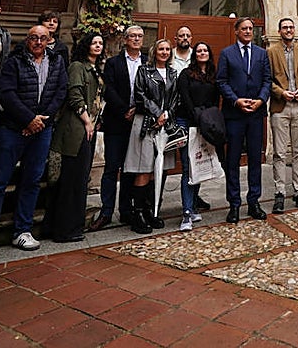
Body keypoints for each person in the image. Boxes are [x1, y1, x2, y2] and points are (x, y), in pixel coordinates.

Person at [0, 25, 67, 262]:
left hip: (42, 130)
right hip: (12, 129)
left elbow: (60, 91)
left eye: (43, 38)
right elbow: (7, 93)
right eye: (33, 38)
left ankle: (22, 230)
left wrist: (41, 121)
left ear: (49, 40)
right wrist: (28, 119)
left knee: (32, 180)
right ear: (27, 40)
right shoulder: (14, 61)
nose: (38, 42)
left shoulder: (57, 61)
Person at [48, 31, 104, 242]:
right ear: (86, 45)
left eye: (100, 43)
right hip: (75, 128)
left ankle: (74, 226)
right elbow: (75, 95)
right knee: (71, 179)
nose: (98, 46)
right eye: (94, 42)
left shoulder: (96, 69)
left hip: (89, 128)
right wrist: (87, 121)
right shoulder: (77, 67)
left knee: (80, 179)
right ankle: (64, 229)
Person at [124, 38, 181, 234]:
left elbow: (176, 98)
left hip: (166, 124)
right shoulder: (144, 71)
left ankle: (150, 210)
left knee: (159, 169)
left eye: (167, 49)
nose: (164, 52)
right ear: (154, 52)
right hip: (146, 123)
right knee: (144, 169)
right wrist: (157, 113)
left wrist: (167, 115)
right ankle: (138, 213)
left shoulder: (173, 73)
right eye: (161, 49)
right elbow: (140, 95)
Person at [90, 26, 144, 231]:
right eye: (133, 36)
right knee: (112, 168)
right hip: (117, 121)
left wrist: (137, 109)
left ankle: (126, 210)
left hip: (139, 122)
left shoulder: (147, 62)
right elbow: (108, 89)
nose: (136, 39)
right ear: (125, 39)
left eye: (140, 36)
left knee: (130, 169)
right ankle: (106, 212)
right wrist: (124, 110)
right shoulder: (113, 63)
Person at [217, 17, 270, 223]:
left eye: (250, 28)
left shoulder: (261, 53)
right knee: (233, 160)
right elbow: (221, 81)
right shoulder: (226, 53)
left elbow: (267, 80)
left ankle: (254, 201)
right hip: (235, 114)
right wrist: (236, 100)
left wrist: (261, 100)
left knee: (255, 159)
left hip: (256, 114)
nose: (248, 31)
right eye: (244, 28)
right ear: (236, 31)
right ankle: (234, 204)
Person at [267, 19, 298, 213]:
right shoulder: (271, 52)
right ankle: (279, 193)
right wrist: (281, 92)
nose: (288, 30)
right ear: (279, 31)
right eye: (285, 27)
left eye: (291, 27)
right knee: (279, 153)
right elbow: (267, 80)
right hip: (281, 106)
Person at [176, 41, 220, 230]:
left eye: (205, 50)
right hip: (188, 122)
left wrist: (208, 122)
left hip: (204, 124)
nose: (202, 53)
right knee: (188, 167)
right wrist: (197, 118)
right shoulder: (186, 74)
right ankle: (186, 212)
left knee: (199, 164)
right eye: (199, 50)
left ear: (209, 54)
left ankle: (194, 206)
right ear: (195, 54)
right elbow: (185, 98)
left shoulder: (213, 75)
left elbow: (215, 100)